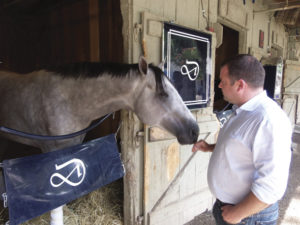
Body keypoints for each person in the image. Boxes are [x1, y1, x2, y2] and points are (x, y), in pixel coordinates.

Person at [193, 54, 292, 225]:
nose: (219, 85)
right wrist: (210, 147)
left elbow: (272, 185)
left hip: (249, 217)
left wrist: (238, 213)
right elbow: (242, 146)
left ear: (240, 85)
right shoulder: (244, 110)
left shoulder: (268, 120)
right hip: (232, 210)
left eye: (223, 81)